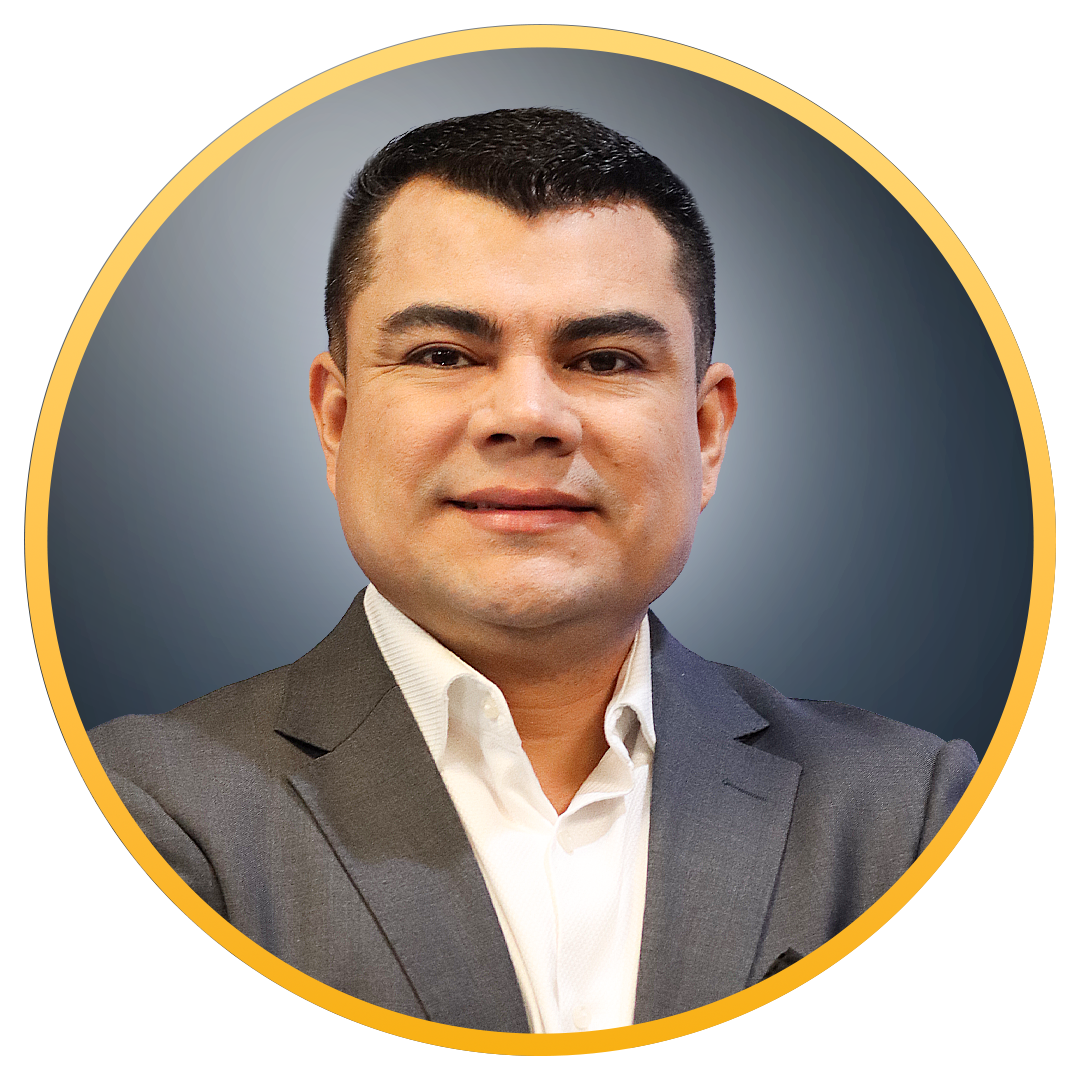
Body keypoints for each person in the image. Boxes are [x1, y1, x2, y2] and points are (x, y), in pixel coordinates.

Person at [90, 108, 978, 1034]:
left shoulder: (912, 815)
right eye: (443, 355)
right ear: (337, 422)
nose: (525, 416)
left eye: (604, 359)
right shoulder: (146, 808)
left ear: (706, 432)